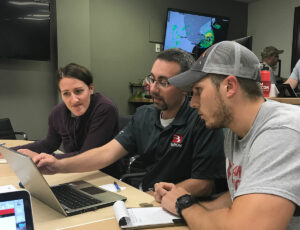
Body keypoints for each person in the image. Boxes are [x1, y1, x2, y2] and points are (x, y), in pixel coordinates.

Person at [29, 48, 226, 197]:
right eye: (152, 79)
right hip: (138, 195)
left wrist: (168, 194)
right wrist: (57, 165)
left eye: (164, 82)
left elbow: (204, 183)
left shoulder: (202, 120)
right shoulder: (144, 115)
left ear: (185, 86)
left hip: (170, 205)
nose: (153, 88)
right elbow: (106, 153)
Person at [156, 41, 300, 229]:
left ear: (229, 86)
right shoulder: (234, 131)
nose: (193, 103)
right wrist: (181, 203)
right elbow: (239, 197)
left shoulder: (282, 131)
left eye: (198, 91)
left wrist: (184, 205)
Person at [11, 63, 121, 177]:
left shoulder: (105, 108)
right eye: (66, 94)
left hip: (103, 176)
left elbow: (87, 155)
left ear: (91, 88)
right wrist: (9, 151)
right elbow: (49, 144)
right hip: (73, 173)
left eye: (78, 91)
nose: (74, 100)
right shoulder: (57, 113)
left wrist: (41, 158)